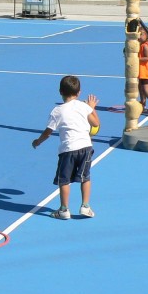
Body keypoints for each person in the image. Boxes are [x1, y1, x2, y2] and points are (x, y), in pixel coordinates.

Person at [31, 75, 99, 220]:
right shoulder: (83, 106)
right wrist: (91, 108)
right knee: (85, 177)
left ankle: (63, 210)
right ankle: (85, 206)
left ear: (60, 91)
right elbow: (96, 123)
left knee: (64, 180)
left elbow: (48, 132)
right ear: (79, 92)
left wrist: (38, 141)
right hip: (86, 147)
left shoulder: (57, 111)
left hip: (68, 150)